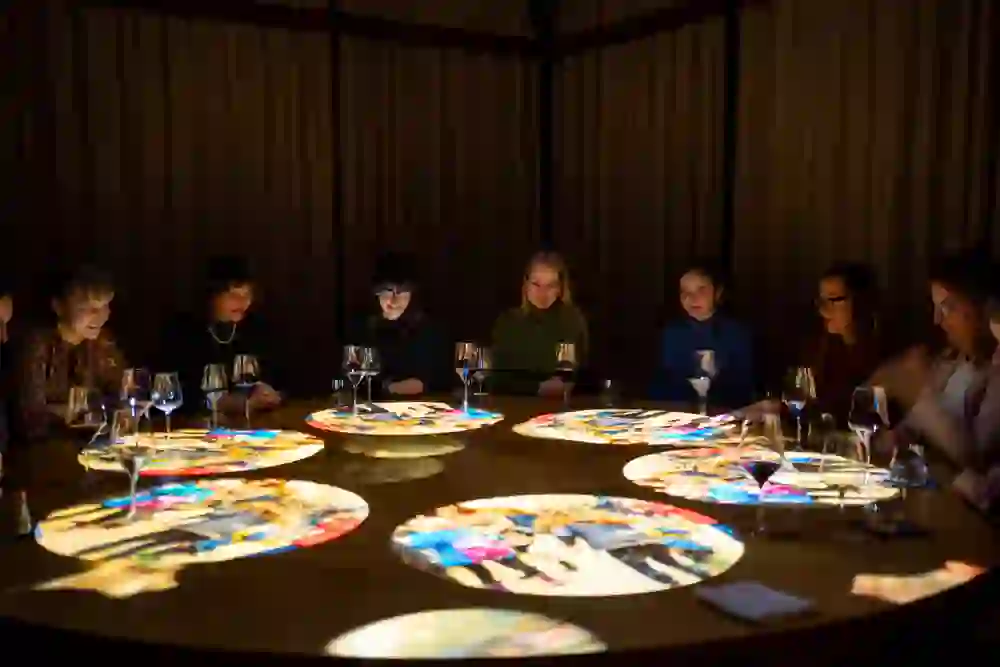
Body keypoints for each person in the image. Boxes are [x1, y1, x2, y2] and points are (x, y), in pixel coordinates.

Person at [873, 252, 999, 512]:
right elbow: (913, 431)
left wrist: (921, 393)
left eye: (948, 307)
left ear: (986, 309)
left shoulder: (996, 374)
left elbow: (971, 458)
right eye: (936, 308)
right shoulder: (950, 363)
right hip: (927, 500)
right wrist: (896, 437)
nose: (937, 321)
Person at [15, 265, 126, 440]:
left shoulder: (103, 343)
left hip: (93, 447)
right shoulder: (36, 344)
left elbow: (122, 401)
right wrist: (89, 410)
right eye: (87, 308)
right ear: (59, 306)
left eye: (105, 306)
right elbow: (30, 417)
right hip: (44, 452)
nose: (101, 316)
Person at [161, 256, 281, 415]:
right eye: (233, 296)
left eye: (248, 295)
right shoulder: (183, 331)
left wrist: (268, 392)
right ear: (212, 296)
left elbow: (278, 377)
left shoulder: (255, 328)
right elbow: (173, 392)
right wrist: (217, 403)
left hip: (251, 426)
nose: (243, 302)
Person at [651, 262, 754, 408]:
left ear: (717, 293)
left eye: (701, 291)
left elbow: (743, 385)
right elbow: (662, 381)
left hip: (725, 412)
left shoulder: (736, 332)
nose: (692, 298)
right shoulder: (672, 332)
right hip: (678, 413)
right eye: (685, 292)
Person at [346, 252, 445, 397]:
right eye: (388, 291)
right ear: (376, 292)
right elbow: (350, 378)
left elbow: (425, 383)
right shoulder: (361, 326)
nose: (393, 300)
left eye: (402, 292)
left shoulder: (426, 330)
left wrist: (385, 388)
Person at [491, 251, 588, 397]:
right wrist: (536, 387)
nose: (542, 293)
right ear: (526, 284)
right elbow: (496, 378)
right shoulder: (508, 321)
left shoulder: (572, 320)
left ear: (560, 288)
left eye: (551, 286)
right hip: (513, 406)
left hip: (561, 409)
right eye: (536, 284)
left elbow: (579, 374)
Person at [800, 262, 883, 423]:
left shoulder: (887, 356)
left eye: (833, 300)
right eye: (822, 302)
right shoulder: (820, 347)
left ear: (861, 302)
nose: (823, 310)